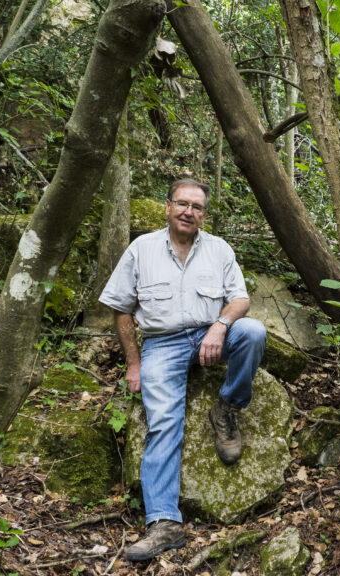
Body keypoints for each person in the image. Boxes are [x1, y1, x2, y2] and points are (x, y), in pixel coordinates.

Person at [99, 178, 266, 562]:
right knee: (163, 422)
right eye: (182, 203)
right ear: (168, 206)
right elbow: (121, 309)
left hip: (213, 332)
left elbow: (240, 299)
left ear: (205, 214)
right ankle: (165, 523)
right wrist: (133, 362)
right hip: (162, 344)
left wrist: (220, 326)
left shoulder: (219, 249)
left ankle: (227, 408)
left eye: (197, 206)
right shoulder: (141, 250)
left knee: (254, 332)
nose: (189, 211)